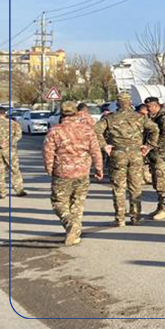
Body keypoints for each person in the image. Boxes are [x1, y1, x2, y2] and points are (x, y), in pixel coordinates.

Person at [43, 101, 103, 245]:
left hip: (62, 172)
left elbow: (48, 152)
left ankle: (70, 224)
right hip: (83, 171)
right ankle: (75, 233)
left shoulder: (55, 130)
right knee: (78, 203)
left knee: (58, 202)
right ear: (76, 113)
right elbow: (95, 151)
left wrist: (49, 169)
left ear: (62, 114)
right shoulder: (87, 130)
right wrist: (99, 168)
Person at [94, 92, 159, 226]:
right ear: (130, 103)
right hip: (136, 154)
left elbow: (95, 131)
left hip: (118, 154)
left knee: (119, 188)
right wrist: (149, 146)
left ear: (117, 103)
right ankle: (136, 217)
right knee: (135, 187)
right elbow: (155, 129)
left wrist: (104, 146)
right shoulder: (140, 117)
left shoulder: (110, 118)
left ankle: (120, 218)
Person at [144, 97, 165, 220]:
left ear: (155, 106)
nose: (147, 109)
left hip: (161, 154)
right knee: (156, 181)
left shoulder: (164, 117)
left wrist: (151, 146)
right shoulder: (153, 117)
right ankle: (160, 206)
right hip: (155, 154)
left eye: (148, 107)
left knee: (162, 181)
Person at [0, 107, 27, 198]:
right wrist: (9, 142)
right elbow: (18, 135)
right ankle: (19, 190)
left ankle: (1, 192)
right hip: (10, 150)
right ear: (5, 114)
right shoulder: (13, 124)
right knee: (14, 169)